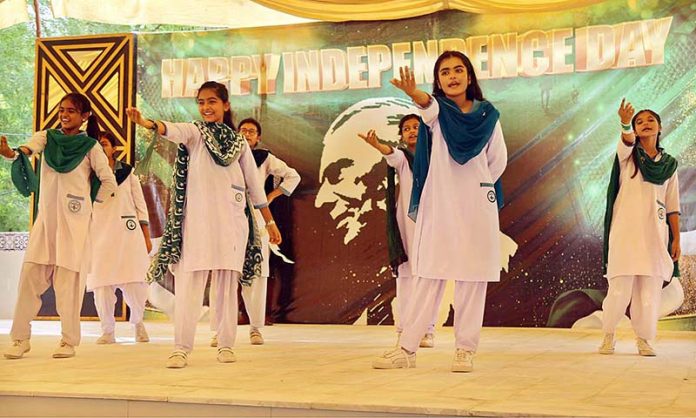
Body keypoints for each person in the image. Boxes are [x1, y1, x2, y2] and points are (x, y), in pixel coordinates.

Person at [126, 81, 281, 368]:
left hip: (232, 224)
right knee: (189, 286)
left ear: (226, 105)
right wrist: (147, 123)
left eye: (212, 101)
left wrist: (269, 222)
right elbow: (173, 129)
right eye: (201, 102)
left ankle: (225, 344)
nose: (206, 107)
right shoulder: (195, 134)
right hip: (196, 224)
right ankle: (181, 348)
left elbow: (255, 187)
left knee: (225, 285)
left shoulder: (239, 144)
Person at [372, 51, 507, 373]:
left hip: (476, 203)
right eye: (445, 72)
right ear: (438, 81)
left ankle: (465, 350)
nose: (452, 76)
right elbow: (426, 105)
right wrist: (413, 92)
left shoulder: (488, 114)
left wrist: (476, 184)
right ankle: (407, 348)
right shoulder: (437, 112)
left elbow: (497, 160)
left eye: (458, 70)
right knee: (429, 273)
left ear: (470, 76)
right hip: (439, 203)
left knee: (472, 277)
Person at [2, 93, 117, 359]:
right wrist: (9, 153)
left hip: (74, 230)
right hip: (46, 225)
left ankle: (68, 341)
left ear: (84, 116)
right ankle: (20, 339)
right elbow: (26, 151)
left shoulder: (90, 147)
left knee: (68, 286)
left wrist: (86, 205)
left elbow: (108, 182)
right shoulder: (47, 137)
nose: (65, 115)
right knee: (29, 280)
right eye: (62, 110)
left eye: (72, 111)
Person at [599, 100, 680, 357]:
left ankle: (644, 339)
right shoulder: (628, 156)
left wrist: (676, 238)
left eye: (650, 120)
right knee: (620, 290)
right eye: (639, 121)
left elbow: (672, 206)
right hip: (625, 234)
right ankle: (608, 335)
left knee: (649, 293)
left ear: (660, 127)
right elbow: (625, 140)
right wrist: (625, 123)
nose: (645, 123)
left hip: (655, 237)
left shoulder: (669, 165)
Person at [211, 117, 300, 347]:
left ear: (258, 137)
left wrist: (269, 197)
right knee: (223, 272)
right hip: (227, 219)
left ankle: (255, 328)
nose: (247, 134)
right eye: (243, 130)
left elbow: (293, 176)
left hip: (258, 219)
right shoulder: (224, 157)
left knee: (258, 273)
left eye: (251, 131)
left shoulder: (264, 158)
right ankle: (219, 329)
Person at [358, 114, 437, 348]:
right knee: (405, 276)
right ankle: (404, 329)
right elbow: (390, 153)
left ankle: (427, 330)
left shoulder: (438, 158)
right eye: (406, 129)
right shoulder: (403, 158)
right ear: (401, 135)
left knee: (429, 276)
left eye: (416, 127)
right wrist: (377, 145)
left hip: (433, 224)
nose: (412, 131)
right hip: (406, 225)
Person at [87, 131, 152, 345]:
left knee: (135, 281)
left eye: (104, 144)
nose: (99, 148)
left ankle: (138, 323)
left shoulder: (127, 172)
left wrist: (146, 234)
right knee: (102, 284)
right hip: (99, 235)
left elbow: (140, 204)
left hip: (127, 232)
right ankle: (108, 330)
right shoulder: (87, 173)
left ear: (113, 148)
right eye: (96, 145)